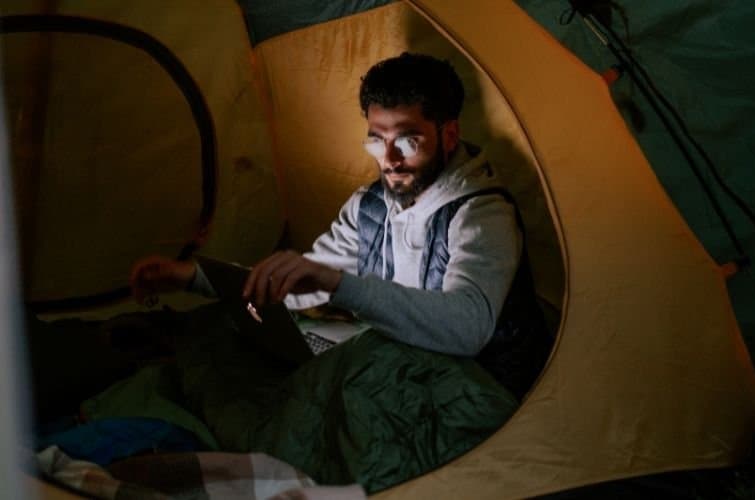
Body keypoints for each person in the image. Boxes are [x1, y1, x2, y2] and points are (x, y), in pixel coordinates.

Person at [131, 52, 548, 399]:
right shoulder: (369, 206)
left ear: (450, 135)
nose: (389, 159)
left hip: (474, 389)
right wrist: (193, 278)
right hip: (400, 367)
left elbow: (466, 328)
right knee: (226, 350)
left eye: (408, 140)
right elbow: (299, 283)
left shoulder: (483, 215)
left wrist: (337, 284)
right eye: (375, 139)